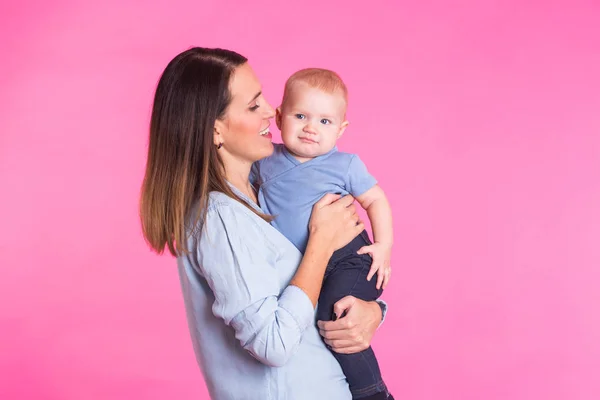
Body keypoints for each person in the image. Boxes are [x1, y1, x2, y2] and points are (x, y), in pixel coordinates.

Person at [139, 47, 391, 400]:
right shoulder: (221, 217)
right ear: (215, 130)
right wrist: (320, 242)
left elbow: (308, 307)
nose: (270, 114)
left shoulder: (263, 195)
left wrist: (371, 312)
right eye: (253, 105)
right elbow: (273, 344)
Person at [250, 68, 393, 399]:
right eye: (301, 116)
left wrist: (384, 245)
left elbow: (375, 200)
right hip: (310, 264)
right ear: (280, 116)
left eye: (325, 122)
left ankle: (372, 392)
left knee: (336, 315)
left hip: (349, 260)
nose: (311, 128)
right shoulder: (265, 158)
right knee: (307, 314)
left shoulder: (344, 164)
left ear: (341, 129)